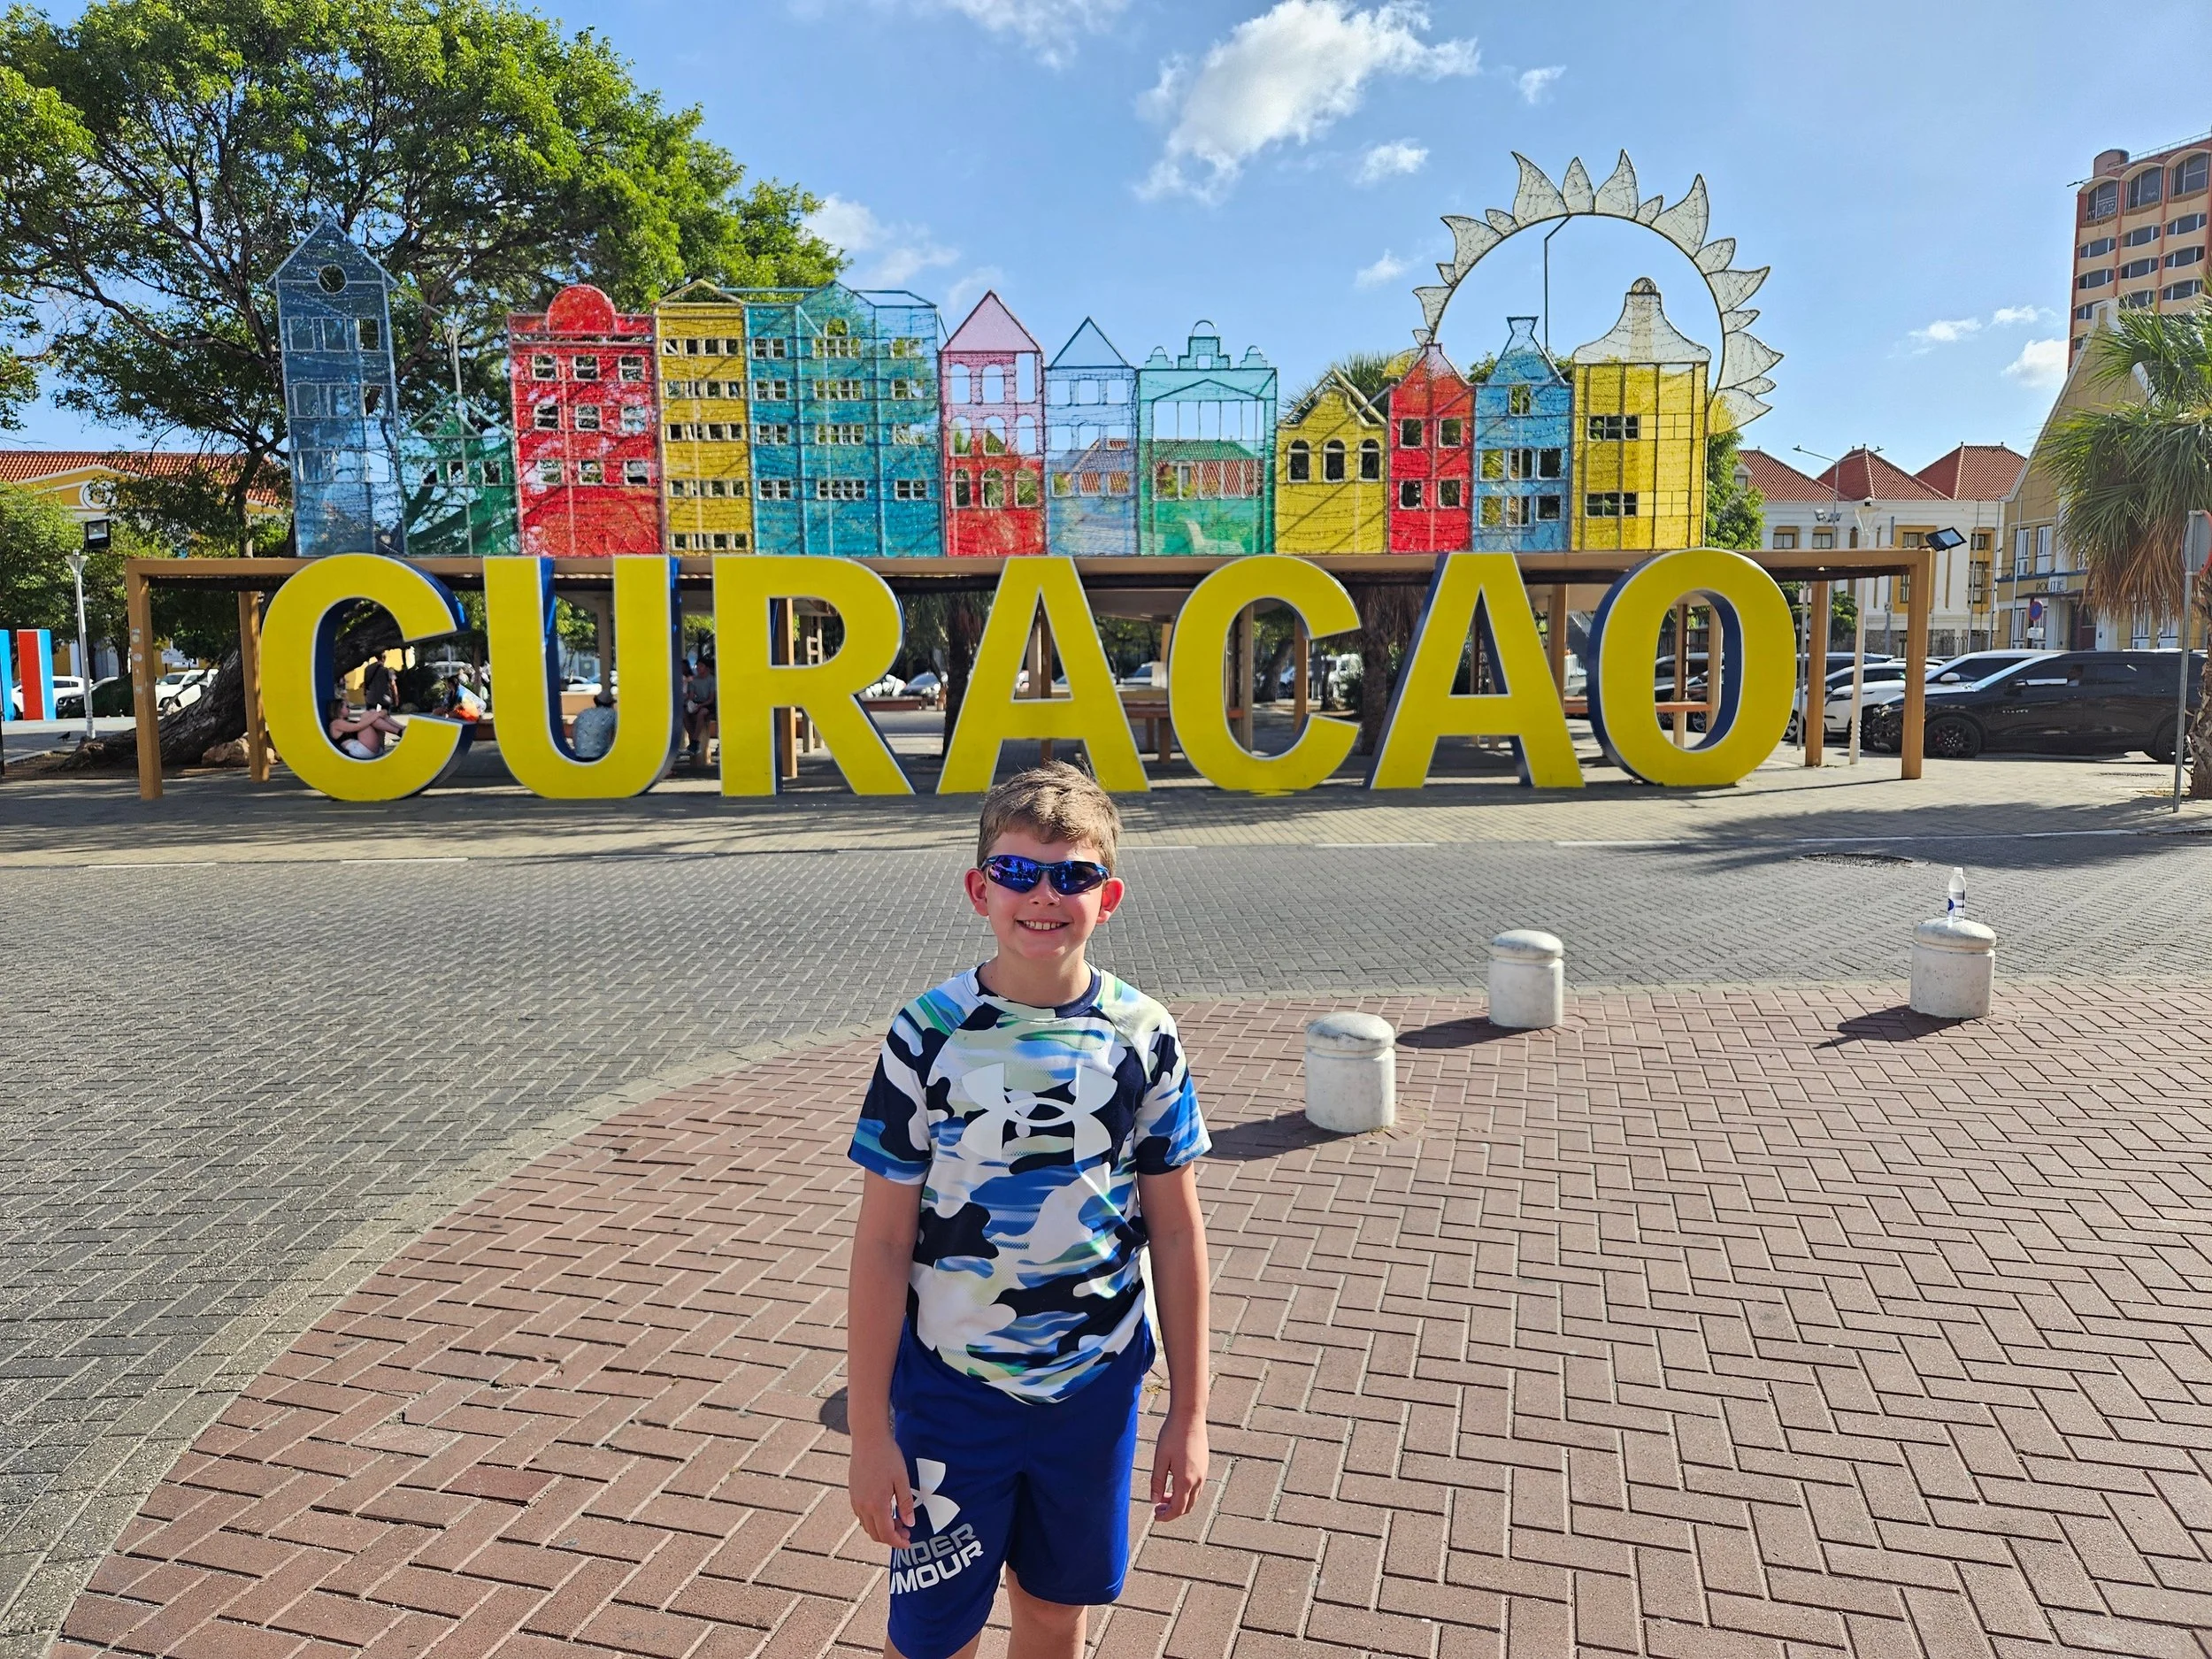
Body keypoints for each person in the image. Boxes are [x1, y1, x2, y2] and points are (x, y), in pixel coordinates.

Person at [845, 763, 1211, 1659]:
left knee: (1054, 1614)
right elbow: (885, 1243)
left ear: (1108, 895)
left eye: (1071, 876)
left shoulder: (1142, 1034)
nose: (1042, 897)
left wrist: (1190, 1411)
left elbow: (1174, 1228)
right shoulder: (926, 1033)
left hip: (1091, 1391)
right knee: (935, 1636)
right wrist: (865, 1434)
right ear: (979, 888)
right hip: (950, 1392)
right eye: (1016, 873)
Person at [327, 698, 403, 760]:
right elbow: (359, 726)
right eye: (346, 706)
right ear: (338, 709)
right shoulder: (336, 723)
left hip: (373, 749)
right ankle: (399, 731)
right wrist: (378, 714)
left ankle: (402, 729)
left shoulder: (346, 721)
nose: (349, 708)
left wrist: (379, 714)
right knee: (366, 715)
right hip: (361, 751)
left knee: (372, 713)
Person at [570, 689, 617, 760]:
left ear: (596, 702)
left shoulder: (584, 712)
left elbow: (573, 731)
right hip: (599, 757)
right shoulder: (612, 714)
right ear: (611, 704)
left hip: (579, 754)